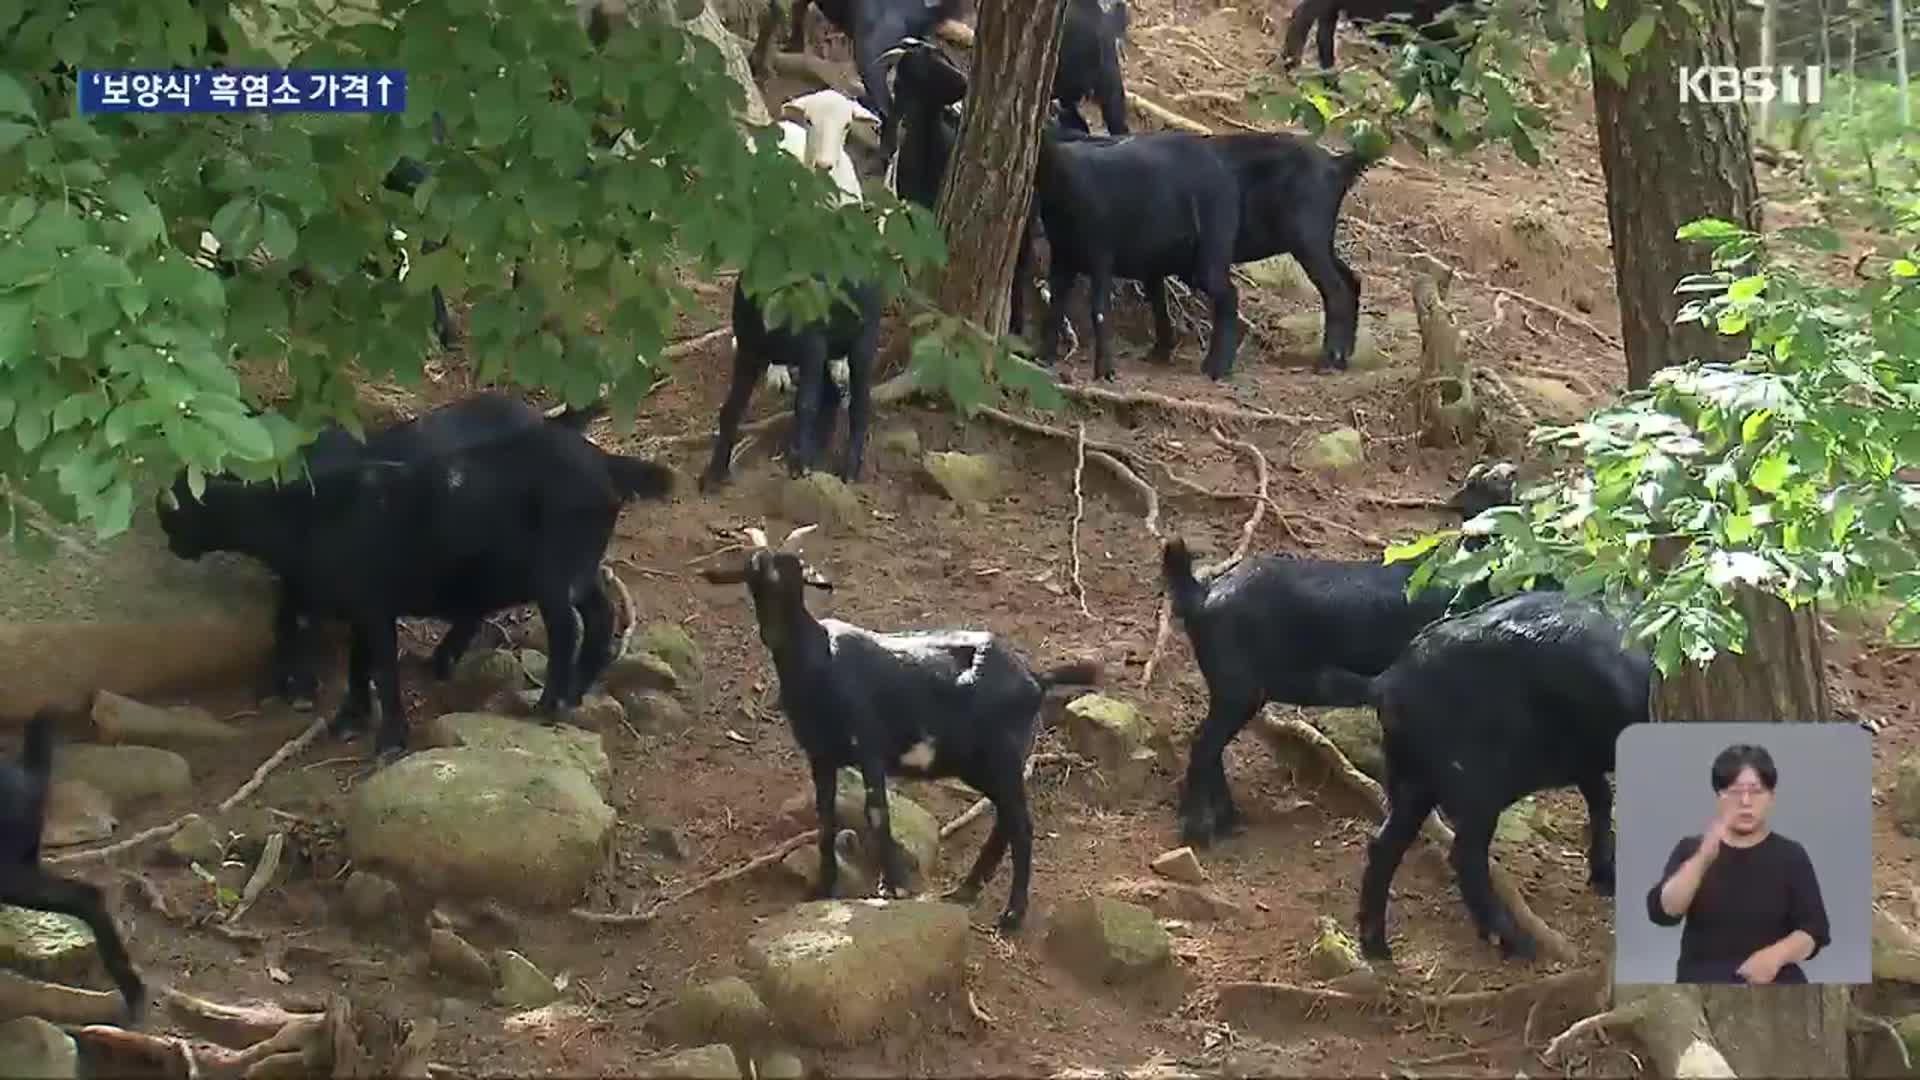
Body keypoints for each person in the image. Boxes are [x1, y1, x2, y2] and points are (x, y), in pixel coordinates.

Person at [1646, 743, 1832, 984]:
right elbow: (1664, 912)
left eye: (1756, 791)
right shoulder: (1691, 849)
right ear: (1719, 797)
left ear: (1771, 797)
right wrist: (1703, 858)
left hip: (1774, 982)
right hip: (1702, 983)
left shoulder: (1791, 855)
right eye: (1734, 791)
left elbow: (1815, 930)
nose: (1745, 801)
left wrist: (1775, 957)